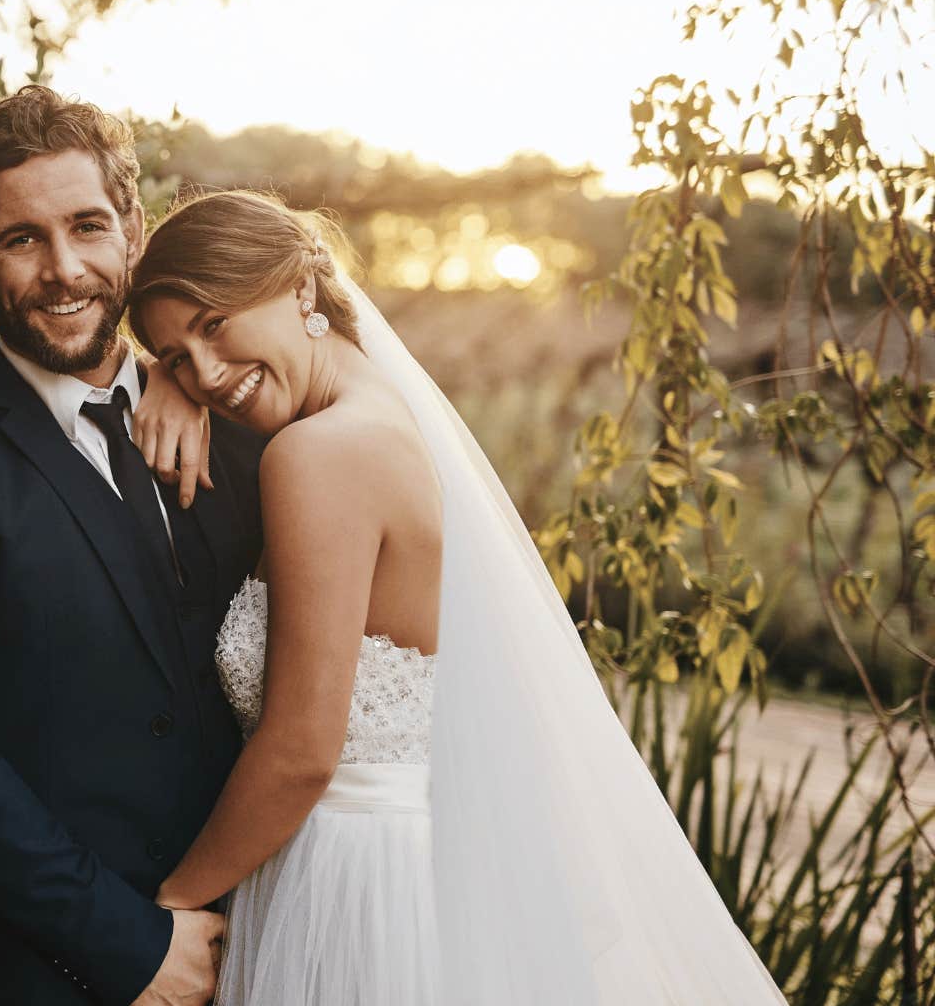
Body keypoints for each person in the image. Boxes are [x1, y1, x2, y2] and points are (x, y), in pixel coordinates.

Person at [128, 189, 787, 1003]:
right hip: (422, 864)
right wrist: (157, 376)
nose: (209, 372)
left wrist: (166, 911)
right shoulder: (386, 420)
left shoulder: (316, 456)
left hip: (343, 878)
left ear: (301, 287)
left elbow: (301, 752)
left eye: (214, 324)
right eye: (181, 354)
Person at [0, 86, 266, 1005]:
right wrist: (131, 949)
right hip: (45, 976)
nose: (64, 269)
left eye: (87, 226)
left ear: (134, 232)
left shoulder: (235, 425)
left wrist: (179, 373)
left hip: (270, 947)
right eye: (21, 239)